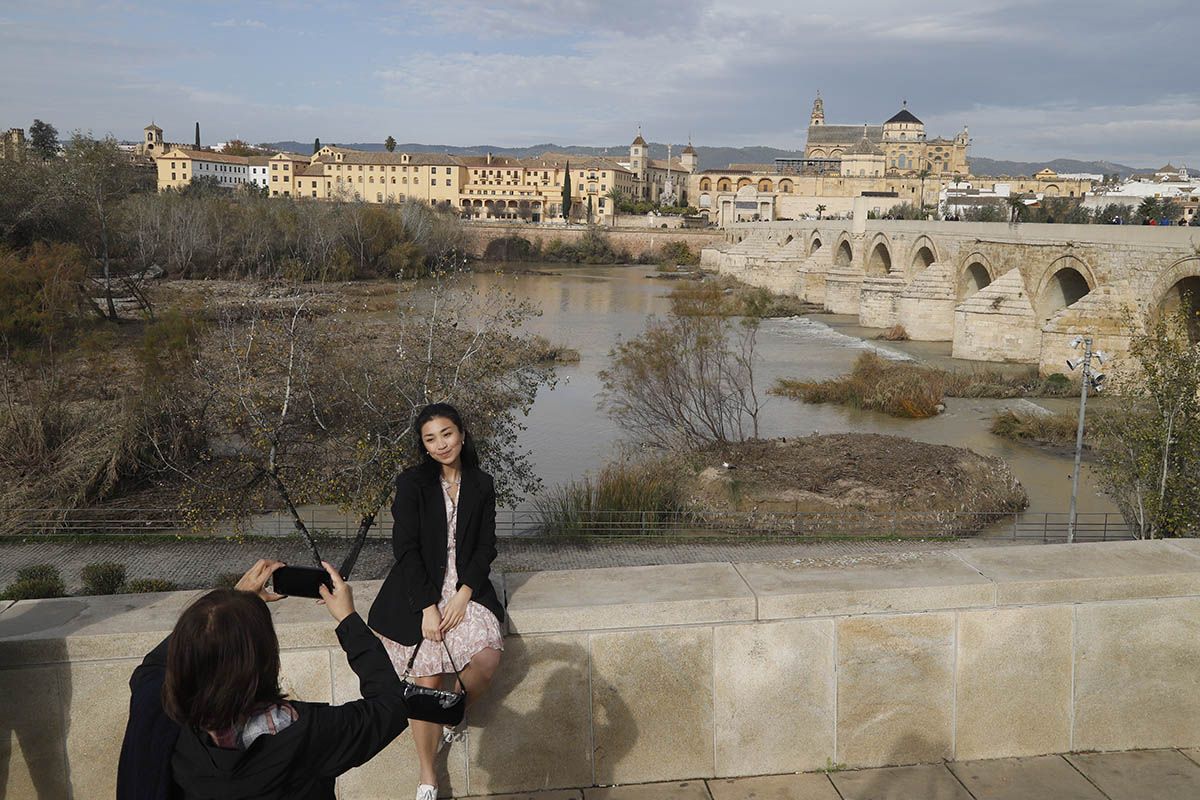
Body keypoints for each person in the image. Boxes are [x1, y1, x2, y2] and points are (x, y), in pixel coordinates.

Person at [117, 560, 408, 800]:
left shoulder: (162, 714)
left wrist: (224, 611)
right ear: (264, 658)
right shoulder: (305, 732)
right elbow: (390, 705)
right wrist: (348, 619)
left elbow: (153, 667)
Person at [369, 402, 505, 800]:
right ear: (424, 447)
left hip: (466, 588)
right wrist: (428, 606)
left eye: (447, 434)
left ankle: (452, 712)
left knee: (487, 659)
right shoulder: (412, 483)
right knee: (427, 679)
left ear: (462, 434)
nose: (441, 444)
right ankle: (428, 776)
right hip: (418, 589)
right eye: (431, 439)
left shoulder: (481, 483)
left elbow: (485, 547)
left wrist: (463, 595)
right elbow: (405, 549)